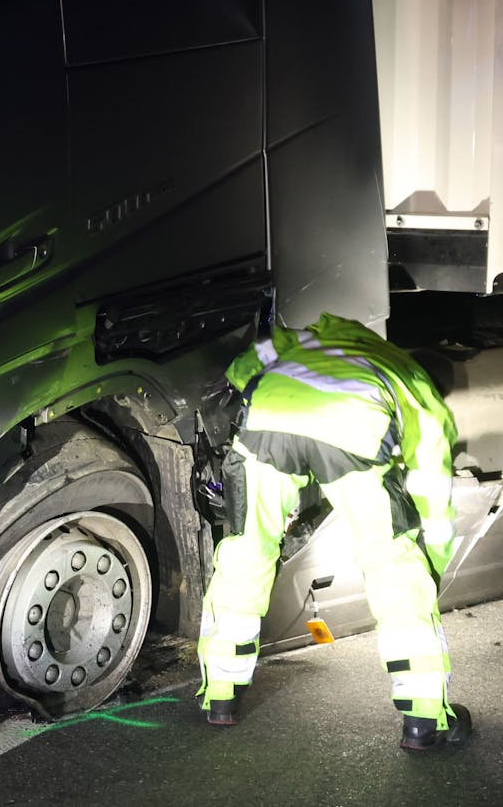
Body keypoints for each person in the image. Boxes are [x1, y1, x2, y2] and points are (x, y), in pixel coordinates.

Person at [197, 312, 471, 750]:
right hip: (352, 432)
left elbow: (252, 358)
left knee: (247, 552)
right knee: (394, 567)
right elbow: (431, 493)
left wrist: (255, 392)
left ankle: (221, 696)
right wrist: (430, 567)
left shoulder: (329, 338)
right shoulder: (420, 391)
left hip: (267, 423)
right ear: (435, 383)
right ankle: (425, 721)